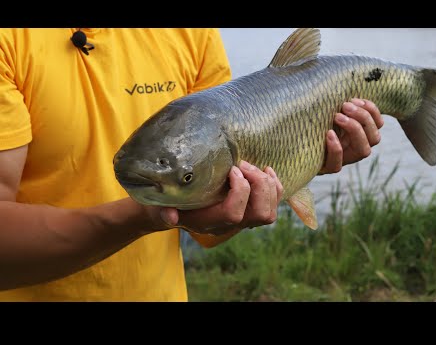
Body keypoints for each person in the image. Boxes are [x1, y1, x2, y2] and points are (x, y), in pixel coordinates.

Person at [0, 28, 384, 301]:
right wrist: (142, 216)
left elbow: (208, 230)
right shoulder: (11, 40)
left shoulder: (192, 33)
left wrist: (299, 155)